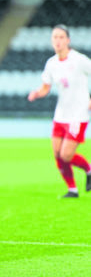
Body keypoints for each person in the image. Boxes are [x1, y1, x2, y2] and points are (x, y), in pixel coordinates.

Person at [28, 24, 91, 198]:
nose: (58, 40)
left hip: (78, 116)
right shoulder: (51, 63)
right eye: (55, 37)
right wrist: (37, 93)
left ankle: (88, 169)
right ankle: (72, 189)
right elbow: (45, 87)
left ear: (68, 40)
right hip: (60, 115)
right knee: (57, 154)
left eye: (61, 37)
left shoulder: (79, 60)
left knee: (66, 154)